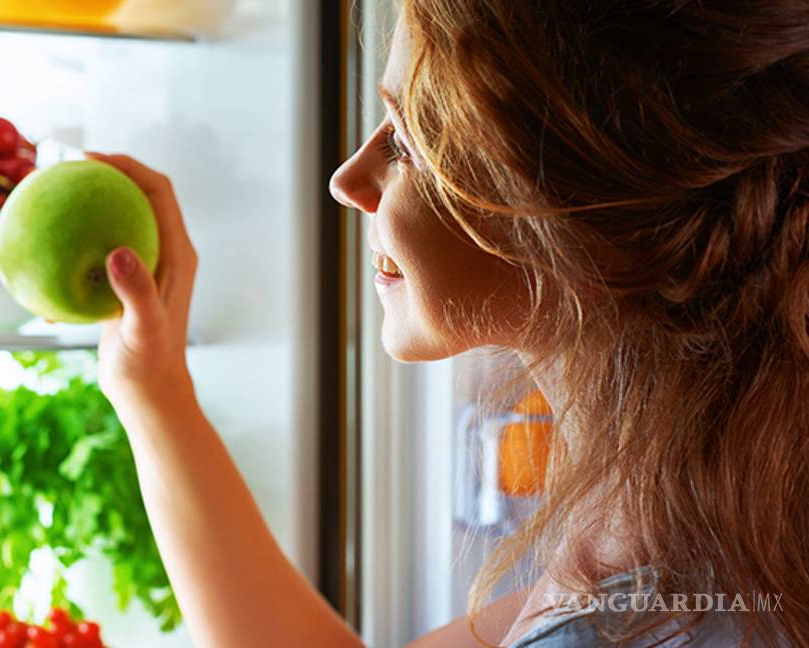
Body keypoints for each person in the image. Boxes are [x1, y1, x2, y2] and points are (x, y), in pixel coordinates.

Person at [86, 0, 809, 645]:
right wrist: (154, 390)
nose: (348, 180)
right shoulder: (708, 514)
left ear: (562, 193)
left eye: (402, 140)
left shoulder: (634, 609)